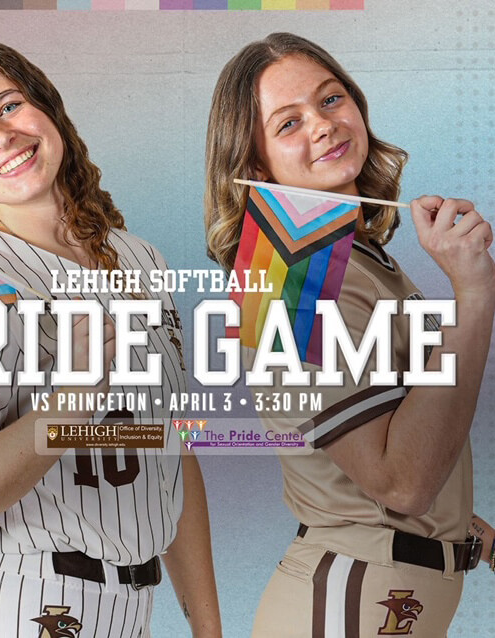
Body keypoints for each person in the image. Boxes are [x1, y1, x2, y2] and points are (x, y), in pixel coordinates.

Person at [0, 39, 221, 638]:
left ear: (47, 107)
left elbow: (173, 452)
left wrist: (208, 626)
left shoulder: (142, 258)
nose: (0, 137)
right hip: (25, 604)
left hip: (133, 610)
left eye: (9, 106)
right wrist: (67, 404)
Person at [204, 32, 494, 636]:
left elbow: (400, 448)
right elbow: (400, 483)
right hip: (351, 599)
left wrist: (470, 530)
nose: (323, 125)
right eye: (288, 123)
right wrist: (474, 295)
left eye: (331, 100)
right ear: (254, 166)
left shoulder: (356, 258)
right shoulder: (292, 275)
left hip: (387, 596)